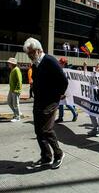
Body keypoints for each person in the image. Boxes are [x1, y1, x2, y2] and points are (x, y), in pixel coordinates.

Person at [23, 37, 68, 169]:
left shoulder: (49, 60)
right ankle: (46, 157)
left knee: (46, 129)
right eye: (28, 54)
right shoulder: (36, 63)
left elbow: (63, 81)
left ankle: (59, 154)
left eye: (31, 53)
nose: (30, 56)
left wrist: (57, 96)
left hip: (50, 101)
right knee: (38, 130)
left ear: (38, 50)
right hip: (39, 101)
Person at [84, 62, 99, 137]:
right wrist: (85, 67)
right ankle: (95, 128)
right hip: (92, 98)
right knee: (91, 114)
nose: (98, 68)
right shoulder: (93, 75)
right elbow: (84, 77)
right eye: (97, 67)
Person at [55, 57, 78, 123]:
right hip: (59, 89)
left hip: (66, 90)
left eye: (61, 63)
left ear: (64, 64)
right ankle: (60, 117)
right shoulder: (59, 70)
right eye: (59, 63)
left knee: (67, 103)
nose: (59, 64)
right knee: (60, 104)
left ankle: (75, 113)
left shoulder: (67, 71)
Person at [7, 58, 22, 122]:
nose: (8, 64)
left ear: (12, 64)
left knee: (15, 104)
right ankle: (17, 113)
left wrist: (17, 89)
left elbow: (19, 80)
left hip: (15, 90)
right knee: (9, 102)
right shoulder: (13, 69)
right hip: (12, 89)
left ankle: (17, 117)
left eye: (9, 63)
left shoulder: (16, 69)